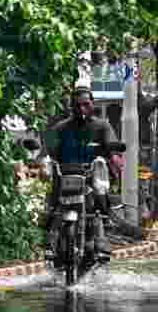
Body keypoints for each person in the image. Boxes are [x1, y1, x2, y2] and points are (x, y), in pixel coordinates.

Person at [43, 87, 121, 262]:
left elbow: (111, 144)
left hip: (92, 174)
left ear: (92, 104)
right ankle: (51, 240)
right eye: (77, 106)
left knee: (100, 202)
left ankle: (102, 236)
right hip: (67, 175)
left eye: (86, 104)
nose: (82, 109)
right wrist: (48, 157)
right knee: (52, 207)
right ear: (71, 107)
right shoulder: (61, 128)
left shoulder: (102, 125)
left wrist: (114, 155)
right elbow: (51, 149)